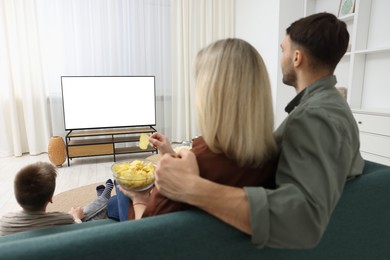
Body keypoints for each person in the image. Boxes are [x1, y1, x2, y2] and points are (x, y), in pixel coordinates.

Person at [152, 12, 364, 248]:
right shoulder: (332, 107)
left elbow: (305, 220)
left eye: (282, 50)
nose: (280, 57)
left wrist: (192, 186)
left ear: (296, 58)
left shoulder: (314, 117)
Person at [111, 38, 279, 220]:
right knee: (112, 204)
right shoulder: (272, 155)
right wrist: (168, 153)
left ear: (210, 96)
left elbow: (145, 234)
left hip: (153, 233)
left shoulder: (193, 169)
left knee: (122, 192)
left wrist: (139, 199)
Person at [0, 162, 114, 236]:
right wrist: (76, 218)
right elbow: (81, 235)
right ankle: (104, 198)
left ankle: (102, 197)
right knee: (86, 215)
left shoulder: (4, 222)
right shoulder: (62, 219)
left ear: (17, 196)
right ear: (50, 198)